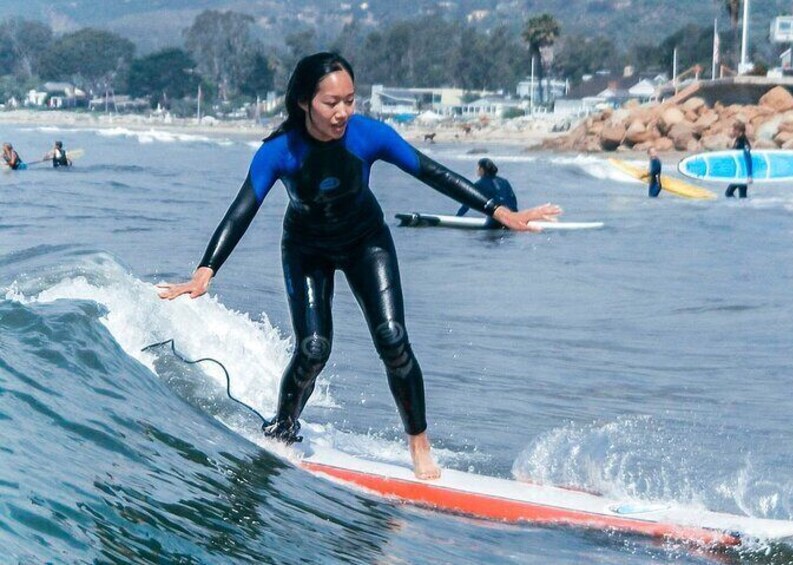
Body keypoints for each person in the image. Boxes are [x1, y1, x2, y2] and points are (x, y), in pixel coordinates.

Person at [157, 52, 560, 480]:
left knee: (392, 338)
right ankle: (284, 427)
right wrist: (206, 271)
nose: (343, 111)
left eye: (350, 100)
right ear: (303, 102)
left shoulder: (368, 135)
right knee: (313, 349)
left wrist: (499, 211)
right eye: (332, 102)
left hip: (366, 241)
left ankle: (420, 444)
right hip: (306, 248)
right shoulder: (279, 152)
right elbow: (243, 209)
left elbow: (431, 171)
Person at [456, 158, 518, 228]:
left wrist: (458, 216)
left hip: (495, 220)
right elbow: (513, 200)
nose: (476, 170)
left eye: (478, 167)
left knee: (482, 237)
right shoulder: (504, 181)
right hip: (511, 218)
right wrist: (515, 217)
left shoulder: (479, 184)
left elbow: (467, 202)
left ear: (482, 170)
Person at [725, 121, 752, 198]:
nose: (732, 131)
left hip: (743, 174)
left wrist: (749, 176)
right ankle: (740, 208)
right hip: (738, 173)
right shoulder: (738, 140)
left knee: (732, 194)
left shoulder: (744, 142)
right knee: (736, 195)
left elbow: (748, 158)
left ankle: (742, 209)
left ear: (739, 131)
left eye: (734, 130)